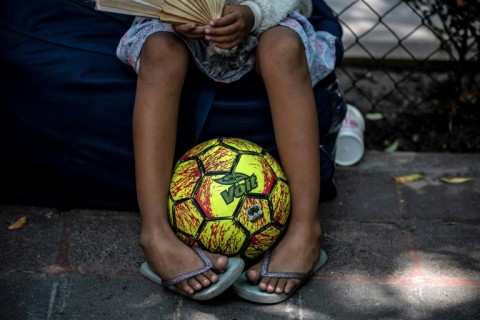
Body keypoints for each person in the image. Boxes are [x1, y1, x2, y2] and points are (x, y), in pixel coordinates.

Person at [116, 0, 340, 303]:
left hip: (265, 22)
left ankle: (305, 230)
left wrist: (253, 14)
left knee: (284, 49)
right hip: (176, 32)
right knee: (160, 52)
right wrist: (172, 12)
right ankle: (155, 233)